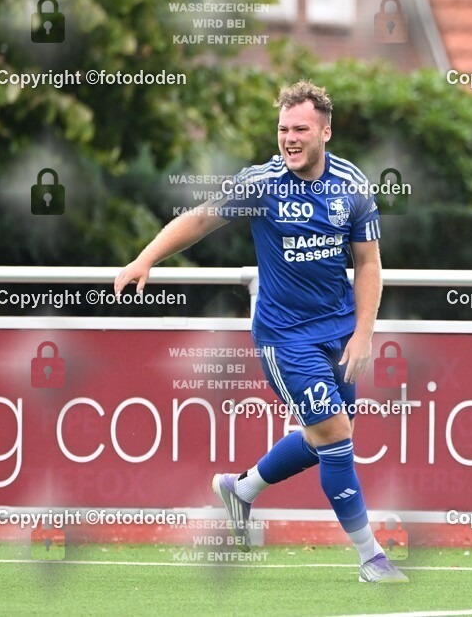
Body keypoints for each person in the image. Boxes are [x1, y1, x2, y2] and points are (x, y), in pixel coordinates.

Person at [114, 80, 407, 583]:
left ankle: (242, 488)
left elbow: (368, 263)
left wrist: (363, 335)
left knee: (324, 437)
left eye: (301, 129)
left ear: (326, 132)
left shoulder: (352, 184)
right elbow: (201, 219)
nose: (289, 138)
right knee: (335, 435)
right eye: (283, 129)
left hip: (339, 333)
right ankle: (371, 558)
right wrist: (146, 258)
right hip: (285, 337)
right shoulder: (261, 184)